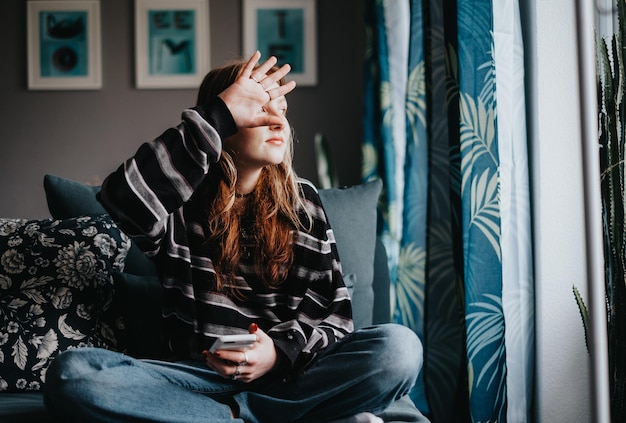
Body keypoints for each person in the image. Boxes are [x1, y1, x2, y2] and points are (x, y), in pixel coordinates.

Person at [44, 52, 422, 423]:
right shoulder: (179, 201)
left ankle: (240, 416)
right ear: (223, 122)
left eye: (282, 111)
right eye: (259, 109)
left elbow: (334, 320)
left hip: (291, 380)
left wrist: (276, 354)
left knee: (399, 350)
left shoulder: (303, 203)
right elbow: (121, 198)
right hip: (196, 382)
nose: (278, 121)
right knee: (72, 375)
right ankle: (261, 416)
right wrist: (218, 114)